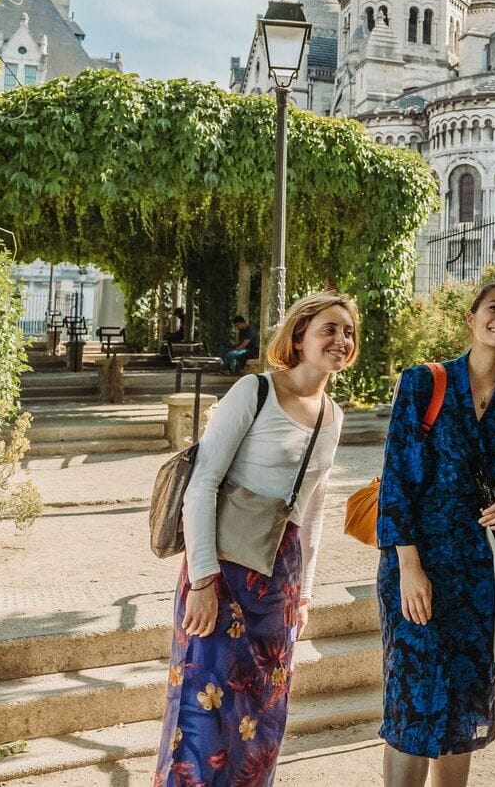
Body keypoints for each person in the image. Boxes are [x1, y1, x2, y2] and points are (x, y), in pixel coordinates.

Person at [154, 291, 350, 787]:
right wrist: (201, 581)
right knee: (200, 712)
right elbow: (202, 484)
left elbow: (313, 508)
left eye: (348, 332)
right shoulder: (254, 392)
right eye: (329, 328)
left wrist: (304, 593)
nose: (341, 340)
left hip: (278, 580)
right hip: (222, 569)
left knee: (262, 713)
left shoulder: (333, 415)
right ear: (300, 335)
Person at [376, 281, 495, 787]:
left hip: (480, 570)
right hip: (417, 563)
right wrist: (408, 568)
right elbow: (398, 480)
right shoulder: (424, 382)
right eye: (493, 308)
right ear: (471, 318)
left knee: (467, 704)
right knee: (411, 705)